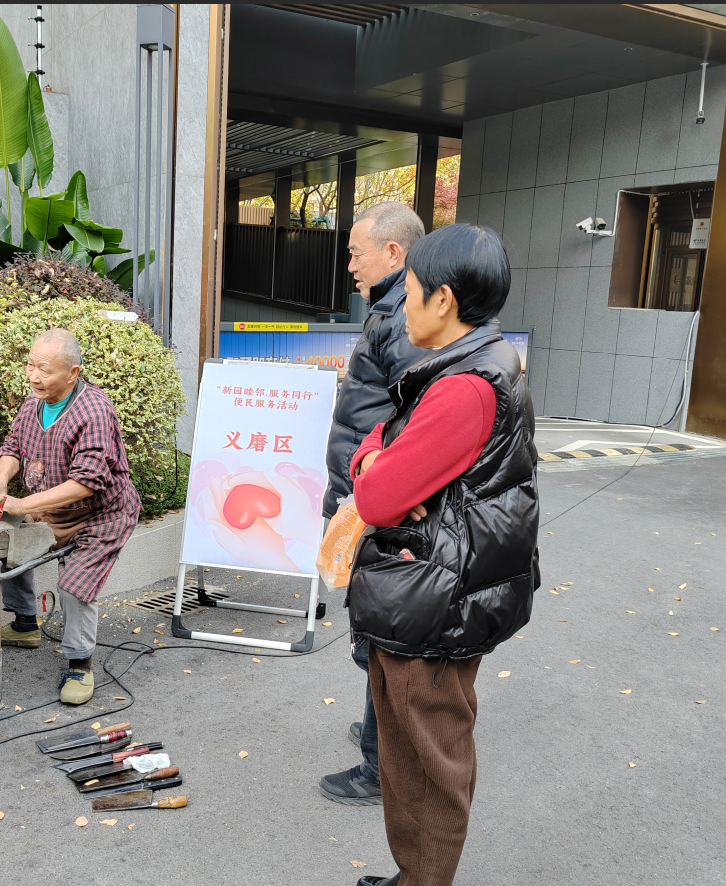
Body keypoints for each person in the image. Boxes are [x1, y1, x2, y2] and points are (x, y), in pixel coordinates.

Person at [346, 224, 540, 886]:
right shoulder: (480, 362)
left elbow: (377, 496)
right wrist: (377, 455)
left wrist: (375, 465)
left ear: (444, 299)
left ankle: (424, 881)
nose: (404, 307)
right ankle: (414, 876)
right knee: (415, 754)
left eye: (410, 293)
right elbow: (381, 436)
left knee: (427, 764)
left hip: (435, 596)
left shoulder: (463, 387)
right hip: (446, 585)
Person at [320, 201, 427, 807]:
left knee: (380, 635)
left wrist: (377, 491)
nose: (350, 266)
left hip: (374, 502)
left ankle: (379, 765)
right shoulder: (389, 310)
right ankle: (379, 733)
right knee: (372, 629)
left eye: (356, 253)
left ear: (393, 252)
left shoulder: (404, 317)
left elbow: (413, 418)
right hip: (362, 496)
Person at [0, 328, 141, 706]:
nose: (33, 376)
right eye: (30, 365)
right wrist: (1, 481)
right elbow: (13, 447)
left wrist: (23, 505)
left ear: (73, 373)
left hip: (101, 514)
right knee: (5, 537)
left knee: (75, 584)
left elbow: (86, 483)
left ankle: (80, 663)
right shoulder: (33, 403)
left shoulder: (94, 411)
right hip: (50, 509)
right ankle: (26, 622)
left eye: (45, 369)